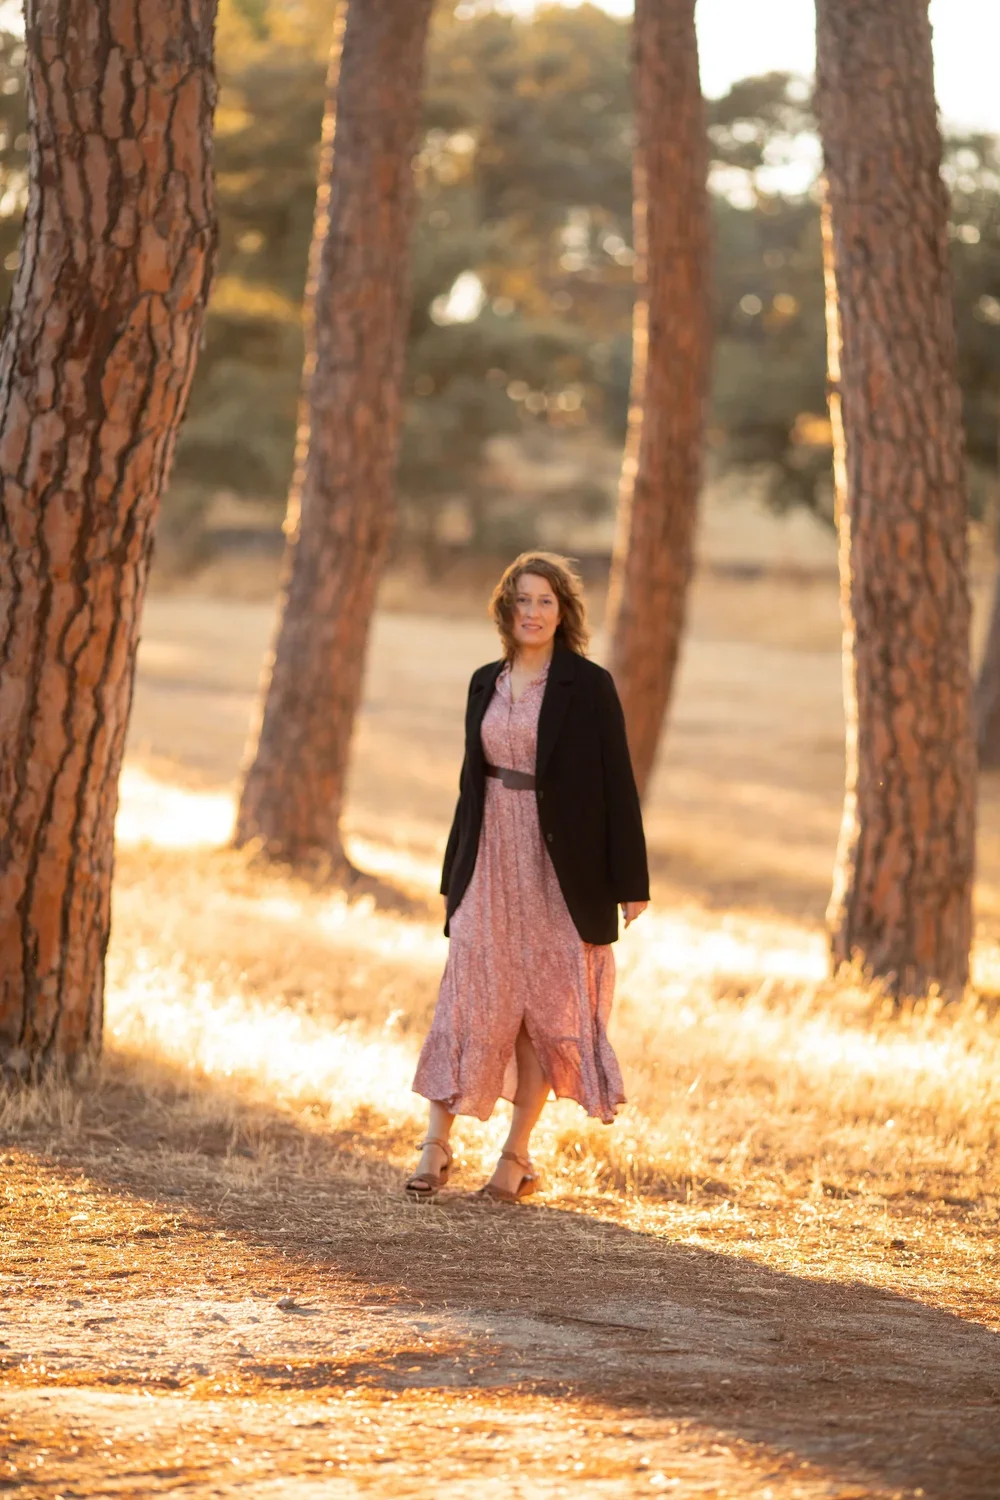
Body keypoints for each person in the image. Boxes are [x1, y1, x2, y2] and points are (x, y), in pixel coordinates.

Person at [407, 551, 650, 1204]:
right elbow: (469, 786)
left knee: (542, 1008)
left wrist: (631, 881)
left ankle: (515, 1156)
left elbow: (617, 788)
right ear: (505, 610)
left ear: (563, 611)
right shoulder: (484, 681)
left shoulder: (588, 686)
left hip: (559, 870)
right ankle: (435, 1143)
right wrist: (453, 877)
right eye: (522, 601)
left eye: (545, 601)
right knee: (470, 994)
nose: (533, 612)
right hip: (489, 859)